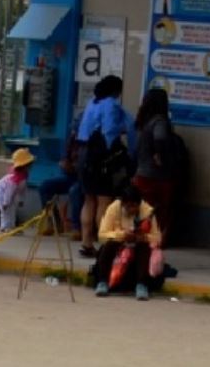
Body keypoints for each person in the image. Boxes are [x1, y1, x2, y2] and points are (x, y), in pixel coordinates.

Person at [75, 75, 134, 257]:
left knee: (88, 199)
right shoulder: (111, 104)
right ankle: (103, 245)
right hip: (101, 157)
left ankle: (86, 242)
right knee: (104, 201)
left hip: (84, 154)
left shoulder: (92, 103)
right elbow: (109, 130)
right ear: (116, 90)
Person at [92, 184, 162, 301]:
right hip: (119, 243)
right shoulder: (113, 209)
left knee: (144, 248)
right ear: (123, 204)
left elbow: (157, 237)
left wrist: (143, 237)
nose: (132, 209)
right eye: (129, 206)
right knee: (108, 246)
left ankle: (141, 284)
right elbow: (102, 234)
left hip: (137, 244)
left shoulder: (147, 211)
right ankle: (103, 281)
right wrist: (121, 235)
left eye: (135, 206)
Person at [133, 87, 177, 237]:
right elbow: (160, 137)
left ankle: (141, 237)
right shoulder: (159, 121)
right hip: (158, 175)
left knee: (143, 209)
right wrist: (159, 154)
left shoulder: (143, 121)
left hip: (142, 172)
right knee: (160, 210)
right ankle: (155, 239)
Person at [0, 148, 35, 233]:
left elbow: (22, 189)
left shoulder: (23, 176)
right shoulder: (14, 178)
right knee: (5, 210)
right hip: (0, 192)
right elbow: (9, 191)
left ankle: (12, 227)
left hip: (8, 194)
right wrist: (6, 202)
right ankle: (5, 227)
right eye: (29, 164)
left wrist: (21, 200)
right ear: (23, 165)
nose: (31, 166)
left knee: (12, 210)